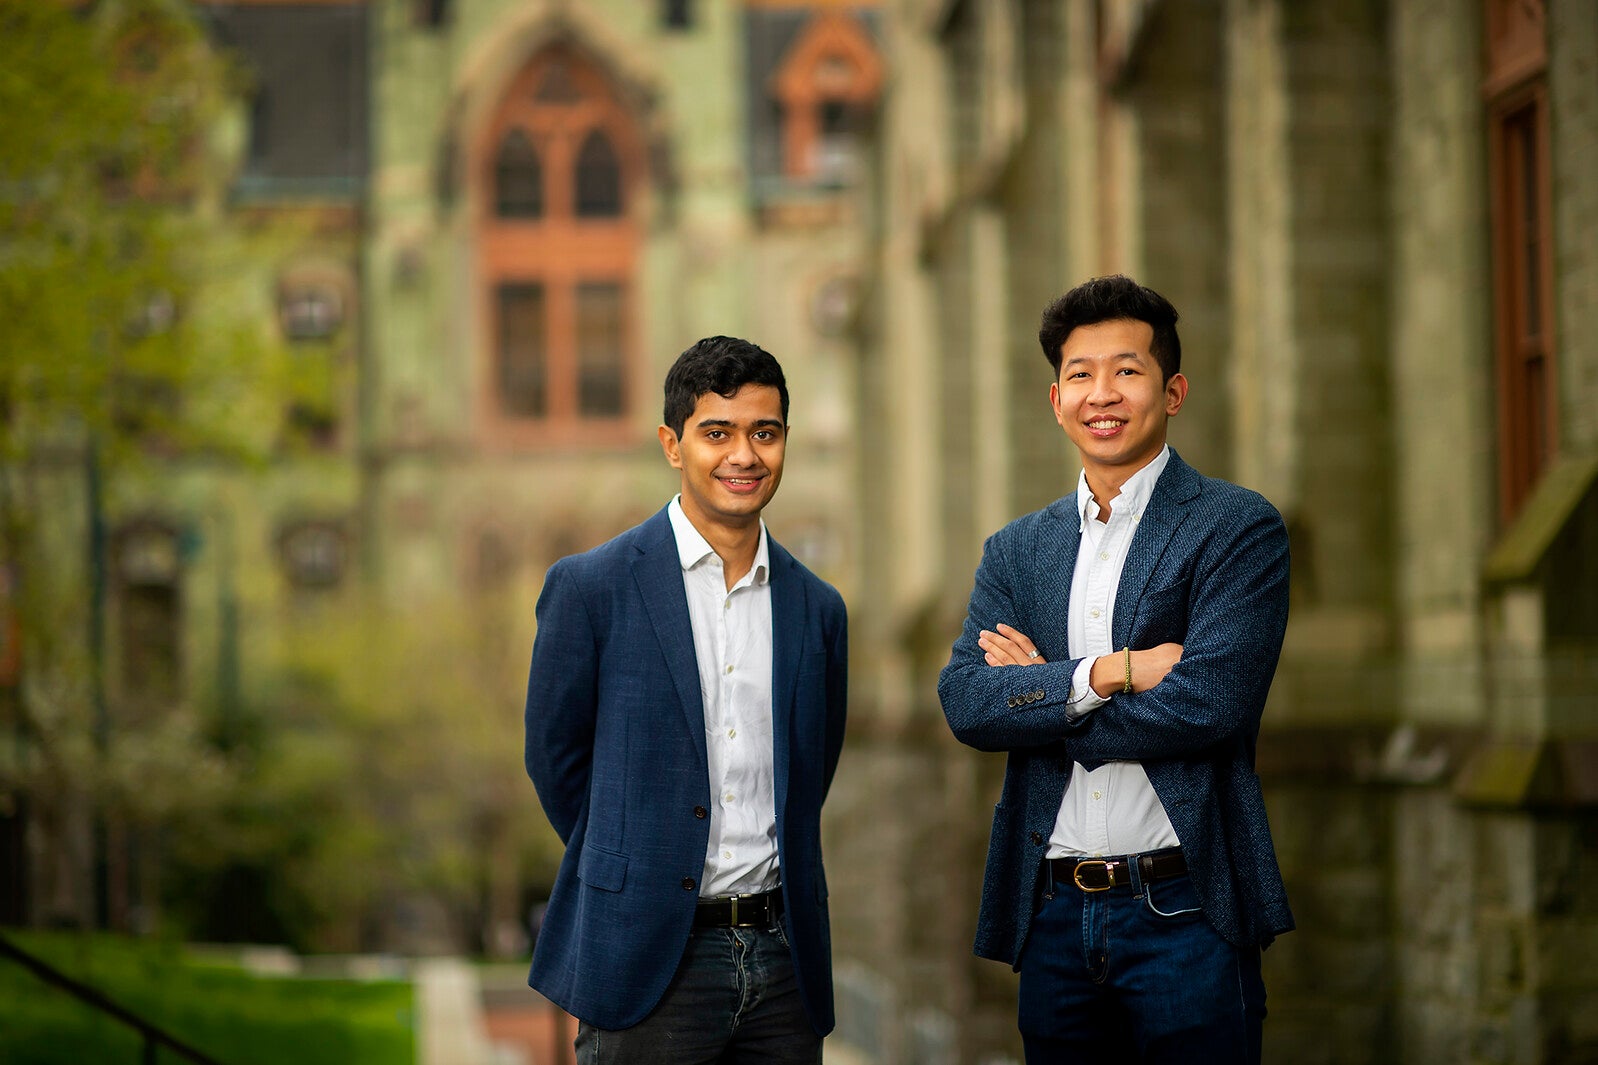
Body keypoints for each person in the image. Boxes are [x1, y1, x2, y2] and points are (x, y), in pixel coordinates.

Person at [938, 275, 1294, 1062]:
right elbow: (967, 701)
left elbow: (1210, 705)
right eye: (1080, 373)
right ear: (1055, 398)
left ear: (1172, 391)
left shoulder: (1236, 527)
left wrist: (1038, 698)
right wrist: (1105, 673)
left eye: (1127, 371)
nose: (1103, 393)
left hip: (1186, 911)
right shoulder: (1017, 549)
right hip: (1056, 916)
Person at [524, 335, 848, 1065]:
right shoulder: (592, 588)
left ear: (784, 442)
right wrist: (633, 854)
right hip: (649, 959)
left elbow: (810, 772)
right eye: (718, 433)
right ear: (673, 445)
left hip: (784, 964)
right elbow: (555, 759)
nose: (744, 455)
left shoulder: (818, 609)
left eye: (764, 433)